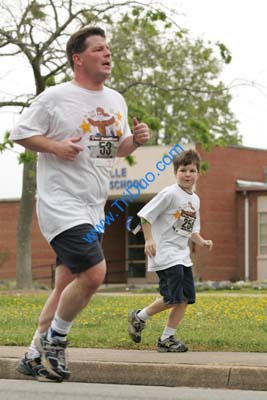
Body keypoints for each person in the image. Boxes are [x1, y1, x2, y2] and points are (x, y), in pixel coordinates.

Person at [11, 26, 150, 382]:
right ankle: (55, 342)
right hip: (61, 203)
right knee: (94, 273)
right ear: (79, 58)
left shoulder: (116, 99)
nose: (108, 54)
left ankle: (31, 355)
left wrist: (134, 141)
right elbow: (21, 132)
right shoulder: (56, 97)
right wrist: (57, 147)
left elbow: (114, 148)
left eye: (109, 49)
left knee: (64, 285)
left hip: (93, 207)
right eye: (99, 49)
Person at [128, 149, 213, 352]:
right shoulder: (169, 193)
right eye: (183, 170)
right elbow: (145, 216)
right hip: (164, 252)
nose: (187, 174)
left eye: (192, 170)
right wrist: (148, 240)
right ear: (176, 172)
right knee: (172, 298)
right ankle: (139, 317)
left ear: (198, 173)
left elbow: (191, 228)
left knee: (185, 298)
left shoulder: (196, 200)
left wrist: (202, 242)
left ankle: (166, 339)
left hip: (182, 255)